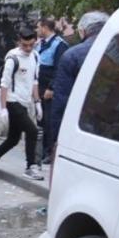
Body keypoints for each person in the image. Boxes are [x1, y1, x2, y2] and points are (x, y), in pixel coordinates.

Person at [0, 28, 44, 181]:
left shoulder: (35, 56)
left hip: (25, 101)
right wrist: (3, 109)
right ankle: (31, 167)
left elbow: (34, 81)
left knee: (13, 139)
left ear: (35, 42)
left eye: (31, 45)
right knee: (32, 131)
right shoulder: (12, 58)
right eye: (24, 45)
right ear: (19, 42)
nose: (28, 49)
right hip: (11, 101)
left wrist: (37, 102)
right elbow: (4, 84)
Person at [47, 11, 109, 156]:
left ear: (82, 31)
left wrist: (55, 139)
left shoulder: (72, 55)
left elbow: (62, 101)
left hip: (80, 131)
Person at [36, 18, 69, 163]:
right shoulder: (40, 44)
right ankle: (42, 151)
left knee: (50, 121)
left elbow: (59, 69)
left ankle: (50, 151)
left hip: (49, 88)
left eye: (38, 28)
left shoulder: (59, 45)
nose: (36, 31)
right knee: (41, 119)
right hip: (39, 86)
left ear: (44, 28)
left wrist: (51, 87)